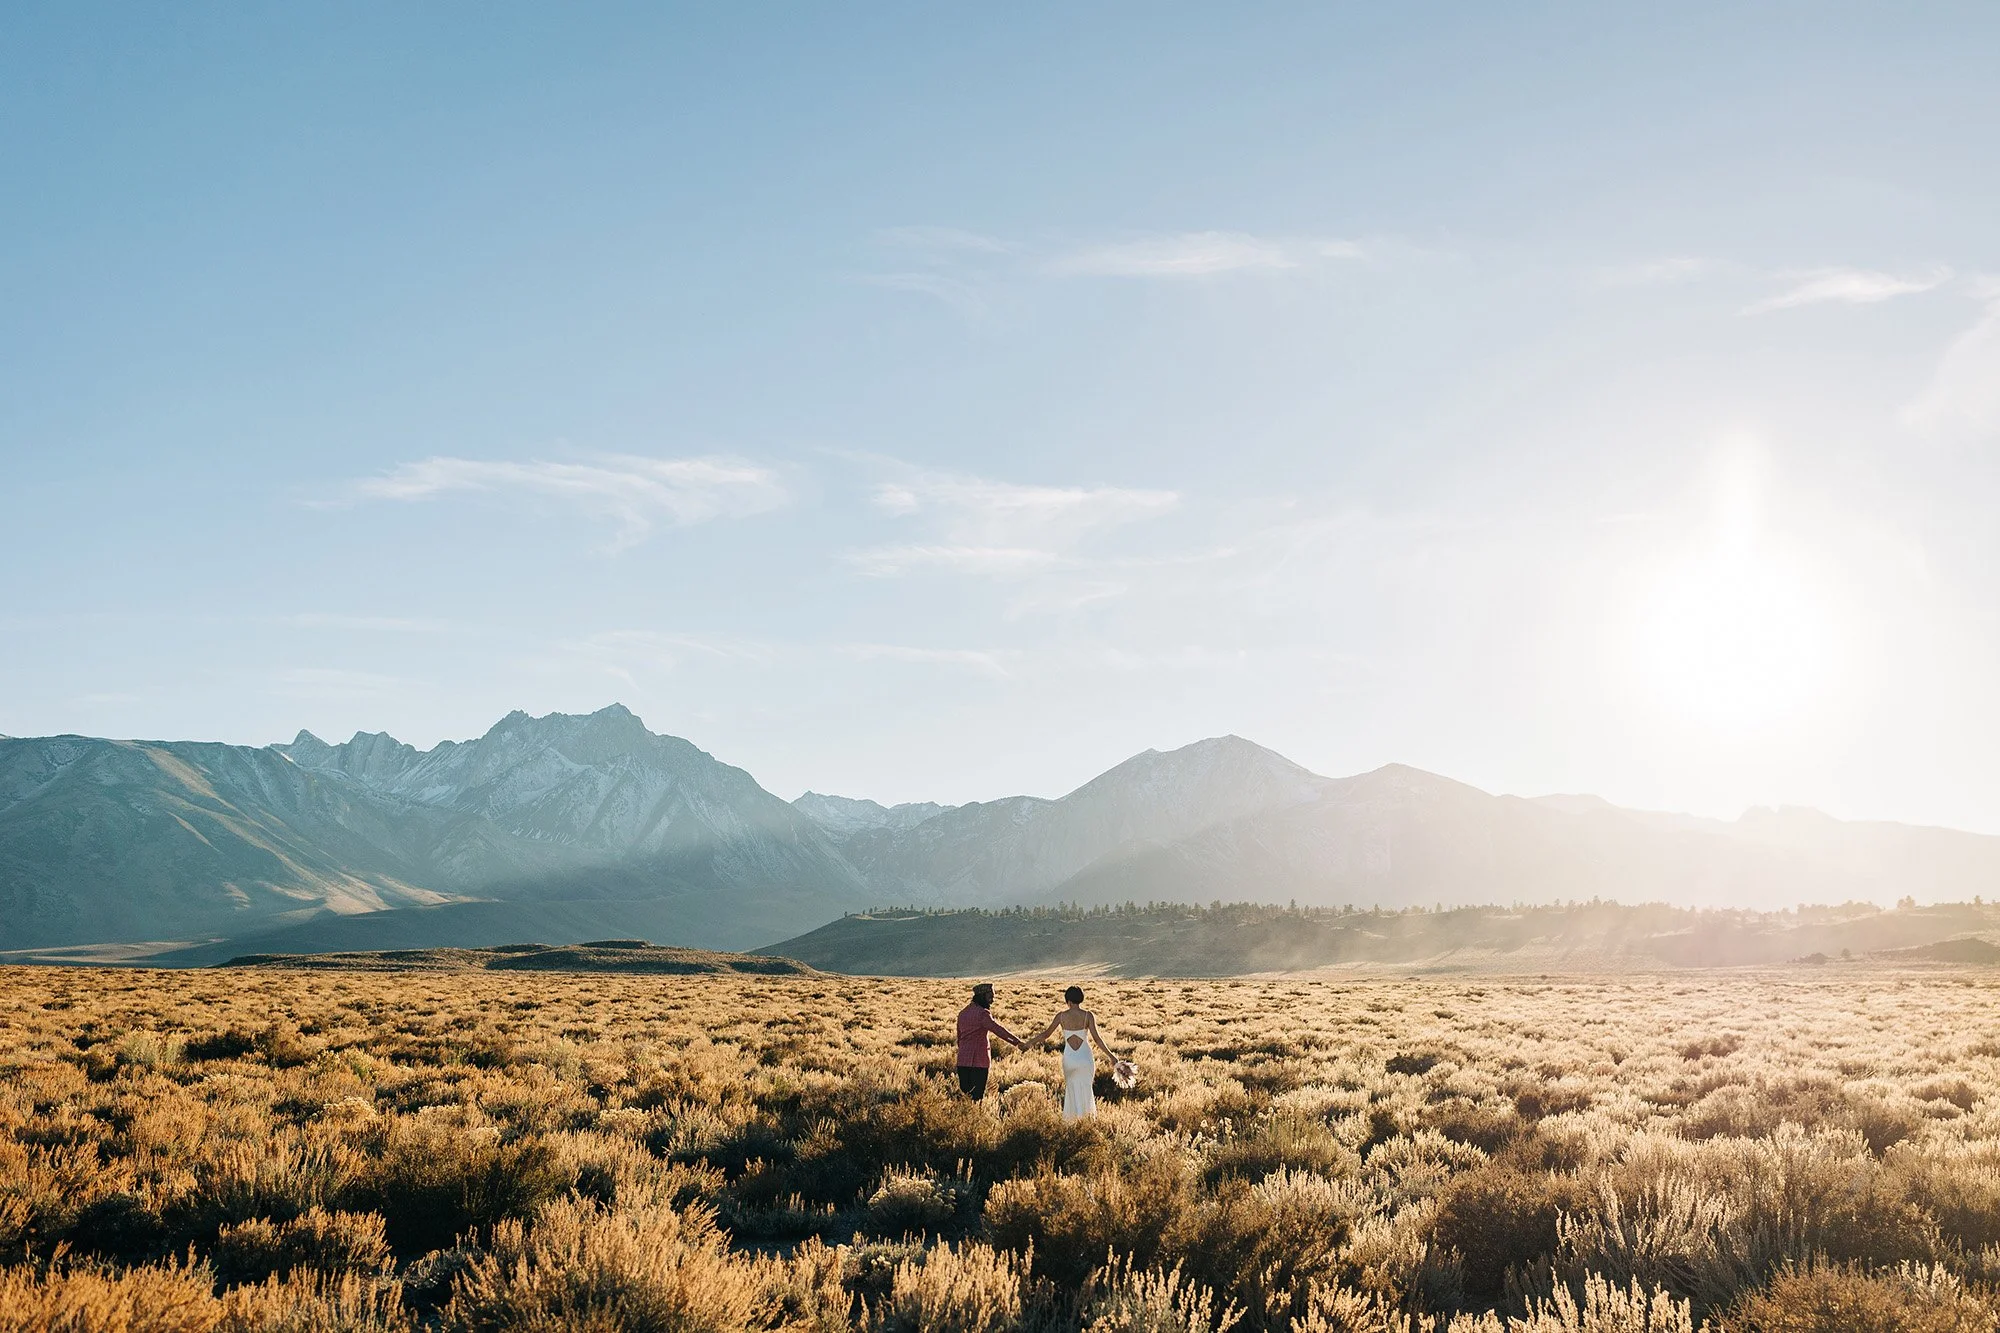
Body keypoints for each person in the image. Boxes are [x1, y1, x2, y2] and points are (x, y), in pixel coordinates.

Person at [1029, 985, 1127, 1120]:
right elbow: (1097, 1040)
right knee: (1086, 1090)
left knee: (1072, 1091)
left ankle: (1072, 1123)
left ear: (1068, 1000)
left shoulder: (1061, 1016)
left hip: (1070, 1059)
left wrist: (1027, 1044)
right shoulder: (1088, 1016)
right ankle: (1086, 1122)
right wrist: (1112, 1056)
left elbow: (1045, 1035)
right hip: (1085, 1058)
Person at [955, 982, 1024, 1100]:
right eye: (990, 997)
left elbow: (959, 1038)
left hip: (962, 1061)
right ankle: (976, 1118)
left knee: (966, 1097)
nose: (992, 1000)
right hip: (979, 1062)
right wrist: (1017, 1042)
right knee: (977, 1097)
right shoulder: (983, 1014)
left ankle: (965, 1117)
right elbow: (998, 1030)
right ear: (982, 996)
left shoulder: (963, 1013)